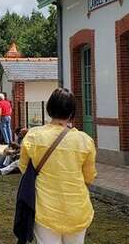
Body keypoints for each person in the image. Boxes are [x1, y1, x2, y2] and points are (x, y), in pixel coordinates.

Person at [19, 88, 97, 244]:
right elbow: (89, 177)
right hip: (77, 208)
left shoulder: (33, 136)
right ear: (72, 113)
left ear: (49, 109)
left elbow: (23, 168)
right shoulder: (85, 140)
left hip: (45, 207)